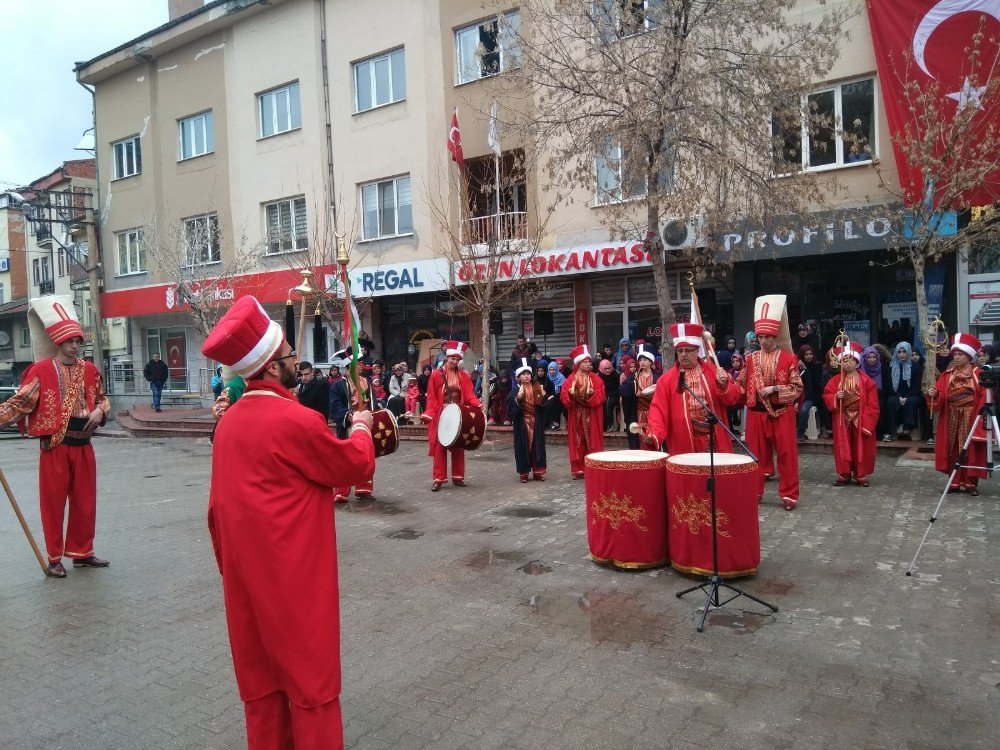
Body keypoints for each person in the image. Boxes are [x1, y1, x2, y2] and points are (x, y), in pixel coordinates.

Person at [203, 296, 375, 749]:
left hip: (247, 584)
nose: (297, 367)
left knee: (262, 688)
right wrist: (360, 424)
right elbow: (353, 465)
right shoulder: (295, 420)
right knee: (310, 688)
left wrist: (234, 573)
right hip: (295, 583)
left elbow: (216, 515)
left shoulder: (228, 426)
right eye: (290, 359)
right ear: (272, 368)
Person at [0, 296, 111, 578]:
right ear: (58, 342)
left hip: (84, 444)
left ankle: (82, 552)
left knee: (85, 502)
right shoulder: (40, 371)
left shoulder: (91, 370)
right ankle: (54, 557)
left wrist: (99, 410)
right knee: (53, 503)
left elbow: (102, 399)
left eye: (78, 341)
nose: (75, 346)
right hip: (55, 446)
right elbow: (19, 403)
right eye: (70, 341)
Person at [735, 295, 803, 510]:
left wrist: (774, 389)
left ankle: (789, 494)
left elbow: (797, 388)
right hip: (755, 413)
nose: (763, 341)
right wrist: (725, 382)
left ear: (775, 336)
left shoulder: (788, 359)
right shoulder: (750, 359)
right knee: (755, 456)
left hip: (781, 413)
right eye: (760, 336)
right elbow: (740, 385)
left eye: (768, 337)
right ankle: (755, 491)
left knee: (787, 455)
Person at [646, 323, 742, 454]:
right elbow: (658, 409)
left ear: (697, 351)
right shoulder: (666, 380)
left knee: (713, 472)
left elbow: (733, 399)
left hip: (714, 438)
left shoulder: (714, 372)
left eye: (687, 350)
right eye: (680, 351)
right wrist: (654, 434)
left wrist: (724, 385)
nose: (683, 354)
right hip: (682, 439)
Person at [929, 333, 987, 495]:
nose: (956, 357)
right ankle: (954, 481)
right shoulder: (948, 375)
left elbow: (984, 395)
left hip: (970, 415)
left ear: (969, 356)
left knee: (969, 448)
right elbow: (940, 396)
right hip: (951, 416)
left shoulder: (978, 374)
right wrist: (933, 394)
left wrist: (980, 415)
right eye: (955, 354)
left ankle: (970, 482)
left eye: (960, 354)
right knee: (953, 448)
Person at [421, 340, 483, 491]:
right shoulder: (435, 375)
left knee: (458, 444)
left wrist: (478, 405)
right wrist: (430, 413)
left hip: (458, 412)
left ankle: (458, 477)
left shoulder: (464, 376)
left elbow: (469, 395)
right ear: (446, 358)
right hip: (441, 413)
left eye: (457, 359)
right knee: (440, 446)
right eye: (452, 359)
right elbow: (432, 397)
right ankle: (438, 478)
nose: (455, 362)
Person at [823, 342, 880, 487]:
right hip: (842, 417)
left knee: (861, 447)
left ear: (856, 362)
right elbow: (827, 395)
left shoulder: (867, 381)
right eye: (845, 361)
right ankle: (845, 474)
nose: (848, 364)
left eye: (851, 361)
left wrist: (867, 420)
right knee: (843, 446)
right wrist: (836, 396)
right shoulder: (835, 381)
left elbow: (873, 404)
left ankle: (860, 474)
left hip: (861, 417)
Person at [329, 352, 376, 502]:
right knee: (345, 459)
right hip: (348, 425)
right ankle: (342, 492)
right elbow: (335, 407)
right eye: (357, 366)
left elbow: (373, 402)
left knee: (366, 455)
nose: (360, 368)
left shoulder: (366, 382)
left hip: (365, 423)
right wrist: (347, 415)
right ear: (349, 368)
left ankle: (363, 489)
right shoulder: (337, 385)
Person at [560, 344, 605, 479]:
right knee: (578, 441)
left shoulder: (595, 378)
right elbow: (563, 396)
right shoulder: (570, 379)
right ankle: (578, 468)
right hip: (577, 414)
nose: (588, 364)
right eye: (585, 362)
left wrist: (592, 395)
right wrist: (570, 396)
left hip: (591, 413)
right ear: (578, 363)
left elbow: (602, 393)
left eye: (589, 362)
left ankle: (594, 466)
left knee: (593, 441)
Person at [508, 358, 547, 482]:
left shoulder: (536, 387)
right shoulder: (515, 390)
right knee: (522, 447)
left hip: (536, 421)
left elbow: (542, 406)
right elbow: (510, 408)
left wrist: (543, 398)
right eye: (523, 374)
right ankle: (524, 473)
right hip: (521, 423)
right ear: (518, 377)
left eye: (528, 373)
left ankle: (538, 472)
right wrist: (518, 399)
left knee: (538, 447)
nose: (526, 376)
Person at [621, 344, 660, 450]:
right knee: (639, 439)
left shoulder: (658, 377)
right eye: (640, 360)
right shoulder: (633, 378)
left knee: (653, 438)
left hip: (653, 413)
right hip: (638, 412)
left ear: (651, 361)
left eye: (645, 360)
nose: (642, 362)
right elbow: (622, 391)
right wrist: (632, 387)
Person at [885, 341, 921, 441]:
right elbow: (889, 386)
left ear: (908, 352)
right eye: (899, 352)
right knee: (891, 401)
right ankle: (895, 427)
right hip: (896, 395)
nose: (902, 354)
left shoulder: (915, 366)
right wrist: (899, 396)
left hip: (912, 395)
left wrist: (906, 397)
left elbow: (917, 386)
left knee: (911, 401)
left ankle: (907, 426)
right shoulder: (892, 367)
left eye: (904, 352)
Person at [796, 346, 823, 443]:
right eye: (806, 354)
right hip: (798, 395)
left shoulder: (818, 365)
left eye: (810, 354)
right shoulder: (796, 367)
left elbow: (814, 384)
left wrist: (805, 370)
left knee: (803, 409)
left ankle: (800, 434)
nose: (809, 356)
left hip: (811, 396)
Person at [597, 358, 620, 433]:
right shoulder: (599, 376)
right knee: (603, 403)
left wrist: (612, 393)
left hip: (614, 395)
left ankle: (610, 423)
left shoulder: (616, 374)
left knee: (608, 404)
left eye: (609, 368)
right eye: (605, 368)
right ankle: (603, 425)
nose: (607, 370)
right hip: (603, 395)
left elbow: (619, 387)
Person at [546, 361, 566, 429]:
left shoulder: (561, 377)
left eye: (553, 370)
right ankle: (548, 423)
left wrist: (553, 396)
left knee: (554, 403)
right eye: (550, 370)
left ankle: (555, 423)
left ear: (556, 369)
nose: (551, 371)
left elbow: (561, 391)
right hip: (550, 396)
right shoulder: (547, 376)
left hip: (559, 396)